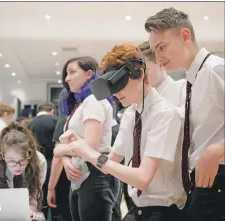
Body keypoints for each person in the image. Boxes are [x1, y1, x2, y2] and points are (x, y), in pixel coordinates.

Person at [66, 44, 187, 221]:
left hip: (165, 211)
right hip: (136, 209)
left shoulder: (165, 114)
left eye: (118, 85)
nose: (115, 94)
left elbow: (143, 178)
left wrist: (91, 154)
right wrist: (83, 145)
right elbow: (111, 163)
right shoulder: (130, 115)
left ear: (138, 74)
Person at [145, 7, 225, 221]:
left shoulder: (216, 70)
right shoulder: (193, 79)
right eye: (155, 51)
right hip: (201, 181)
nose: (159, 57)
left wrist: (218, 149)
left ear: (185, 35)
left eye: (162, 47)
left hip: (218, 179)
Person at [53, 56, 120, 221]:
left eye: (72, 72)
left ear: (89, 73)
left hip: (95, 174)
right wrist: (67, 160)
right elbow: (75, 146)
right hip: (82, 175)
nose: (67, 78)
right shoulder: (82, 104)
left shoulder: (94, 100)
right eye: (66, 74)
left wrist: (60, 150)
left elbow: (90, 144)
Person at [0, 121, 47, 219]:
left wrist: (30, 210)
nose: (18, 167)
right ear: (2, 156)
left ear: (29, 153)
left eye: (22, 160)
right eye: (11, 161)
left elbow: (34, 197)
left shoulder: (39, 161)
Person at [28, 102, 60, 220]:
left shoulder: (30, 123)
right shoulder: (56, 120)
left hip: (35, 163)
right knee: (55, 196)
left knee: (39, 192)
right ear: (52, 111)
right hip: (54, 162)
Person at [138, 41, 186, 107]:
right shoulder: (142, 99)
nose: (142, 76)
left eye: (146, 70)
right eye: (139, 71)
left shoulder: (180, 91)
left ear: (160, 63)